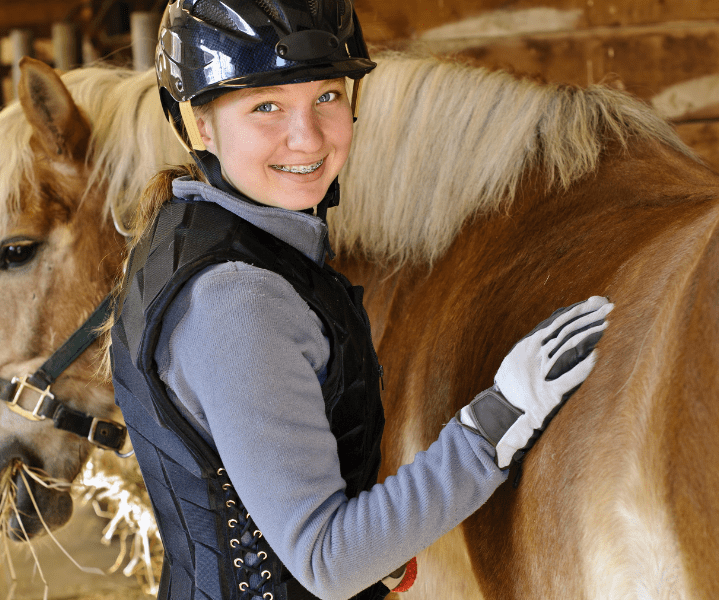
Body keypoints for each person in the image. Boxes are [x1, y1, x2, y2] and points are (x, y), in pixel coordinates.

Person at [109, 1, 614, 599]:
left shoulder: (203, 236)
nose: (308, 137)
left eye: (327, 96)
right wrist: (499, 418)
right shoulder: (235, 300)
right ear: (199, 125)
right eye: (266, 106)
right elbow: (328, 561)